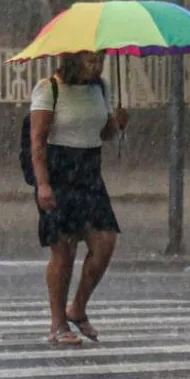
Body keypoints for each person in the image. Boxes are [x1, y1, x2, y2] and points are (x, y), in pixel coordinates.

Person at [29, 51, 128, 346]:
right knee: (64, 250)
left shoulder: (101, 88)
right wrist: (43, 184)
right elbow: (37, 141)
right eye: (89, 61)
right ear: (72, 60)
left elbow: (105, 132)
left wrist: (119, 123)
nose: (96, 66)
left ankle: (78, 308)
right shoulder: (50, 88)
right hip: (59, 172)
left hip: (89, 172)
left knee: (105, 241)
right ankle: (58, 323)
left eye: (100, 60)